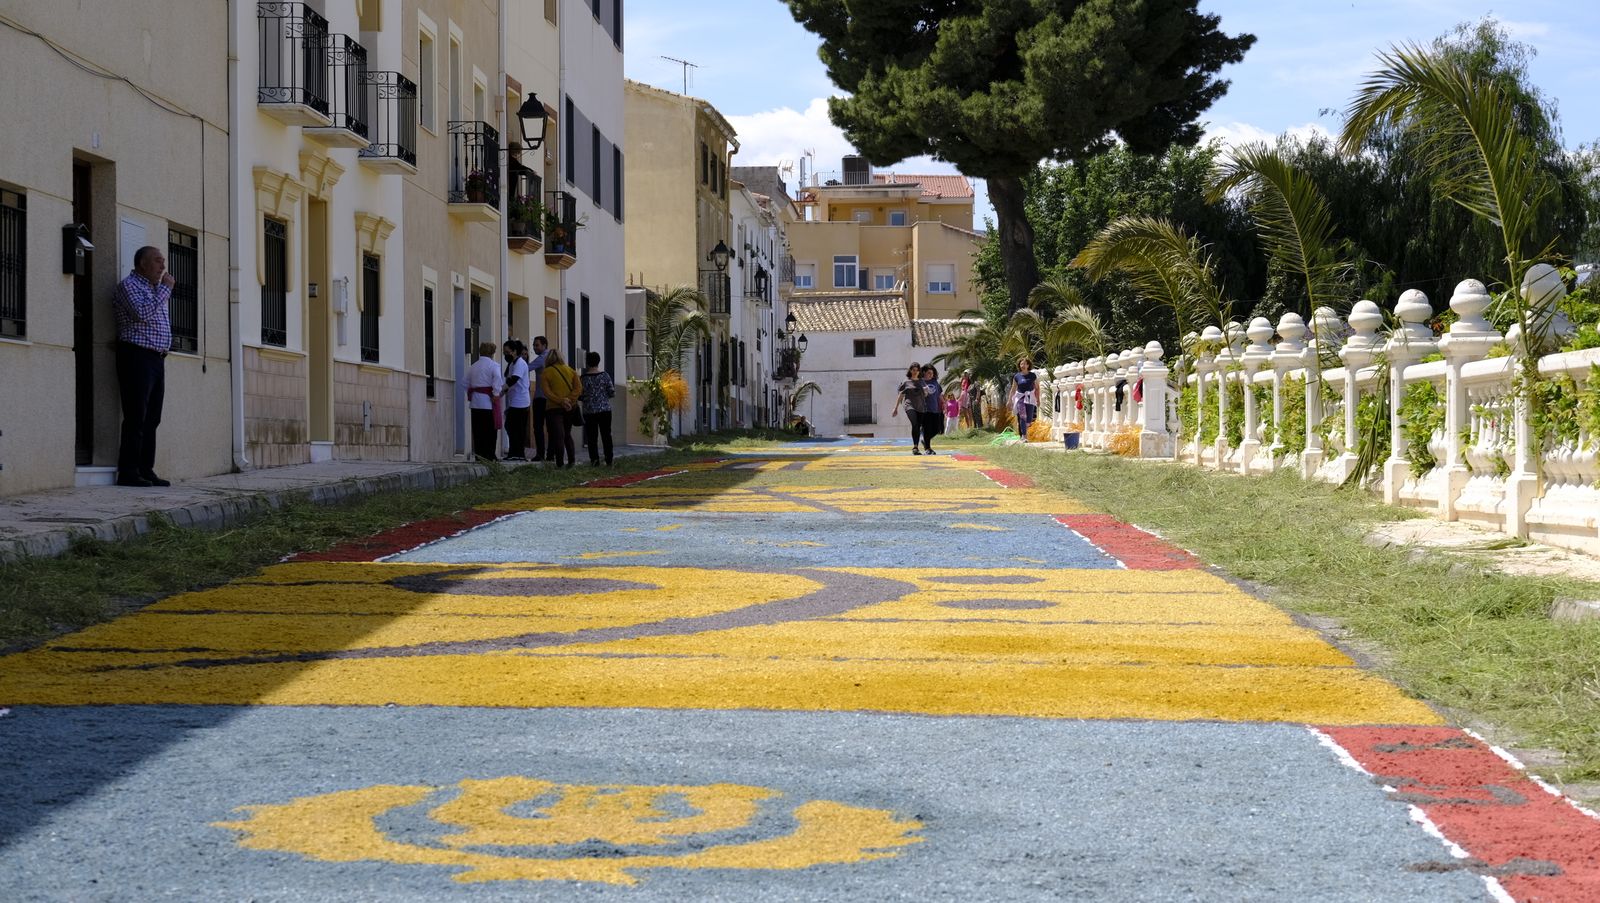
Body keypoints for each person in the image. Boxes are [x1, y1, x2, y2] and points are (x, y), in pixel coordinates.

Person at [112, 246, 175, 487]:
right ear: (142, 264)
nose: (162, 267)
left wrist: (162, 289)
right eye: (158, 262)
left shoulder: (155, 289)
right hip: (136, 356)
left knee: (152, 418)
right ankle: (128, 472)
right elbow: (141, 313)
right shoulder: (129, 286)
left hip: (156, 359)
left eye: (163, 262)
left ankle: (145, 469)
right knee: (136, 416)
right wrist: (166, 289)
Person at [541, 349, 581, 468]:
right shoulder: (570, 370)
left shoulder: (546, 372)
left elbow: (547, 392)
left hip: (553, 408)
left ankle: (559, 463)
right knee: (567, 433)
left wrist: (561, 400)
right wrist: (569, 400)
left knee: (558, 435)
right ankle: (572, 461)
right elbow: (578, 388)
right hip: (570, 408)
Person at [466, 341, 503, 461]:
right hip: (488, 402)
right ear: (492, 353)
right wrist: (496, 394)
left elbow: (465, 382)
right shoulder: (493, 366)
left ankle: (479, 454)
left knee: (478, 430)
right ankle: (490, 454)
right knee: (490, 431)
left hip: (475, 403)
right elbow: (498, 380)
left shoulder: (473, 366)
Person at [580, 351, 616, 466]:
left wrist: (587, 398)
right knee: (606, 435)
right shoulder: (604, 375)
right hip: (604, 410)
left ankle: (594, 461)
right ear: (598, 362)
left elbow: (580, 395)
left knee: (591, 437)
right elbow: (611, 392)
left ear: (587, 363)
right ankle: (609, 460)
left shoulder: (583, 378)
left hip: (589, 411)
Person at [502, 339, 531, 461]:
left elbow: (514, 379)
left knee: (515, 427)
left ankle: (518, 453)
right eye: (504, 353)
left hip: (520, 401)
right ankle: (515, 452)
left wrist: (503, 389)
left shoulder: (520, 363)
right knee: (511, 427)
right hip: (514, 400)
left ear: (514, 351)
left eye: (508, 352)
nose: (506, 355)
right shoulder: (513, 363)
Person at [891, 363, 924, 455]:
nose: (915, 372)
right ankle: (915, 447)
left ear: (919, 371)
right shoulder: (906, 382)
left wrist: (926, 392)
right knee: (915, 423)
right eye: (913, 370)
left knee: (918, 426)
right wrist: (895, 408)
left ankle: (917, 446)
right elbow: (901, 395)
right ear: (910, 371)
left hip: (920, 407)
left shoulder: (922, 382)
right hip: (909, 405)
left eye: (917, 370)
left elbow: (925, 394)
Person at [528, 335, 549, 461]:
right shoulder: (551, 357)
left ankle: (540, 454)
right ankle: (551, 454)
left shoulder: (542, 359)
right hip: (551, 398)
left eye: (537, 345)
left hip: (541, 397)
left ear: (544, 345)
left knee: (538, 426)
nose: (534, 347)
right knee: (551, 427)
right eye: (534, 345)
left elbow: (526, 368)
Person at [1011, 357, 1040, 440]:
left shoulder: (1032, 375)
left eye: (1025, 364)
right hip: (1020, 397)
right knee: (1022, 415)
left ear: (1028, 365)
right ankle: (1024, 436)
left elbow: (1037, 388)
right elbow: (1013, 388)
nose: (1023, 365)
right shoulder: (1017, 376)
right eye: (1021, 364)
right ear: (1019, 365)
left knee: (1029, 419)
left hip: (1030, 397)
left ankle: (1024, 431)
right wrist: (1009, 400)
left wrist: (1038, 399)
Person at [919, 365, 944, 455]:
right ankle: (928, 448)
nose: (931, 375)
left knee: (937, 429)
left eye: (932, 373)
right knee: (927, 428)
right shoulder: (920, 382)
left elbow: (939, 394)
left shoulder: (935, 382)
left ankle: (924, 439)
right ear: (924, 372)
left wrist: (943, 403)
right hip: (924, 409)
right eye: (929, 373)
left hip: (935, 409)